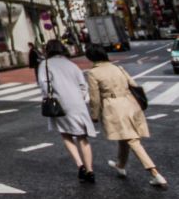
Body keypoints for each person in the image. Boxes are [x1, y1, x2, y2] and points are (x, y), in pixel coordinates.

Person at [87, 45, 167, 188]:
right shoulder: (118, 68)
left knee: (132, 140)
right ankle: (120, 166)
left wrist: (94, 114)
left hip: (113, 106)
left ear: (91, 58)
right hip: (130, 103)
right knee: (125, 137)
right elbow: (134, 85)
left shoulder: (93, 73)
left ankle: (155, 173)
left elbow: (94, 98)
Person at [37, 39, 96, 183]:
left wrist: (49, 98)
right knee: (83, 136)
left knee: (66, 133)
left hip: (60, 103)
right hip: (78, 103)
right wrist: (78, 98)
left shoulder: (45, 65)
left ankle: (80, 165)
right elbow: (83, 86)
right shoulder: (72, 64)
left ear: (48, 50)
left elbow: (44, 86)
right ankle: (90, 170)